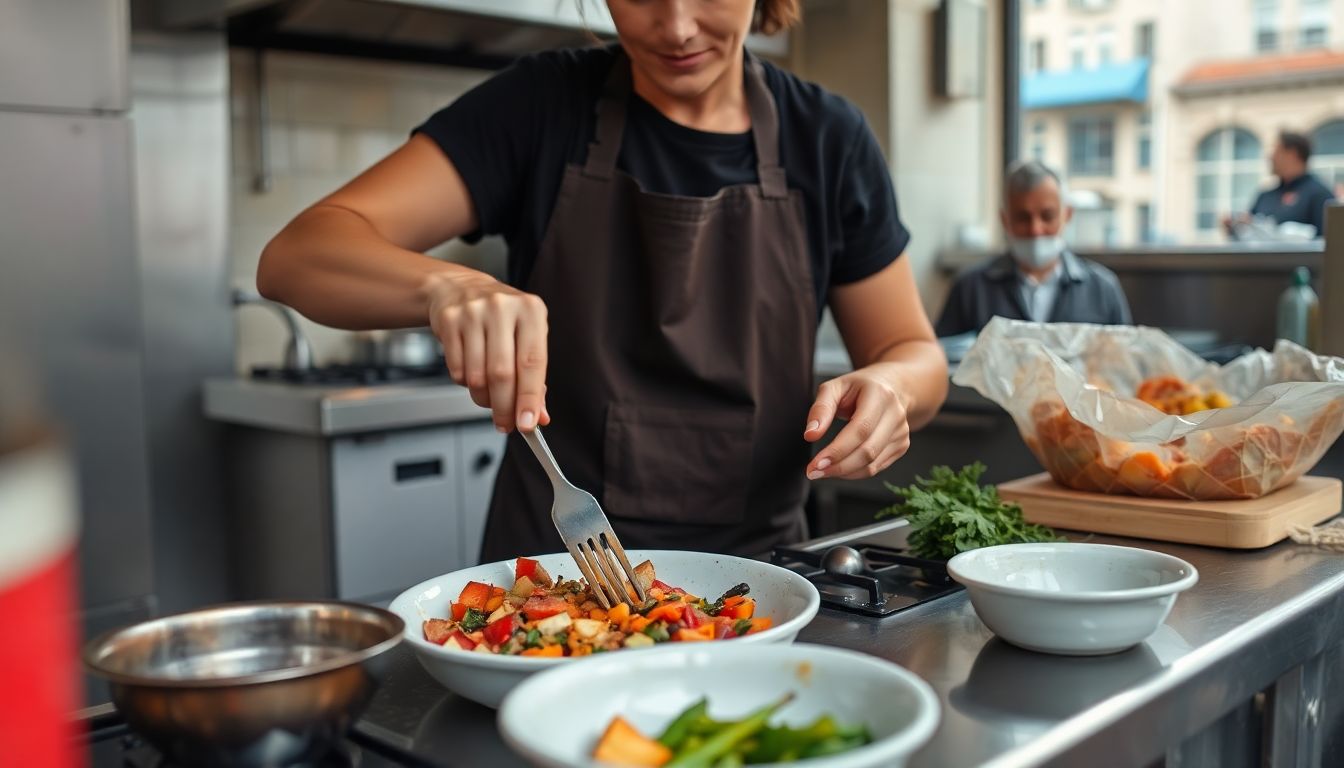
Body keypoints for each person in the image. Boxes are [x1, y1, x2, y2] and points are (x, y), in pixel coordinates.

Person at [256, 0, 948, 560]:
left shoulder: (827, 138)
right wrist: (447, 287)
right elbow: (295, 257)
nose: (675, 26)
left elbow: (916, 355)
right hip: (552, 580)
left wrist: (892, 389)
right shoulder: (541, 106)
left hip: (760, 587)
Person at [936, 160, 1132, 337]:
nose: (1035, 229)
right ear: (1005, 220)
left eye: (1047, 216)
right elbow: (945, 359)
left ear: (1068, 214)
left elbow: (1124, 365)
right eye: (1023, 218)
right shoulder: (970, 288)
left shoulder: (1103, 289)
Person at [1224, 131, 1336, 238]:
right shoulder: (1265, 196)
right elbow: (1248, 236)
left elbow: (1328, 242)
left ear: (1292, 154)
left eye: (1277, 151)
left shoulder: (1319, 195)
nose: (1271, 157)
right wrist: (1235, 227)